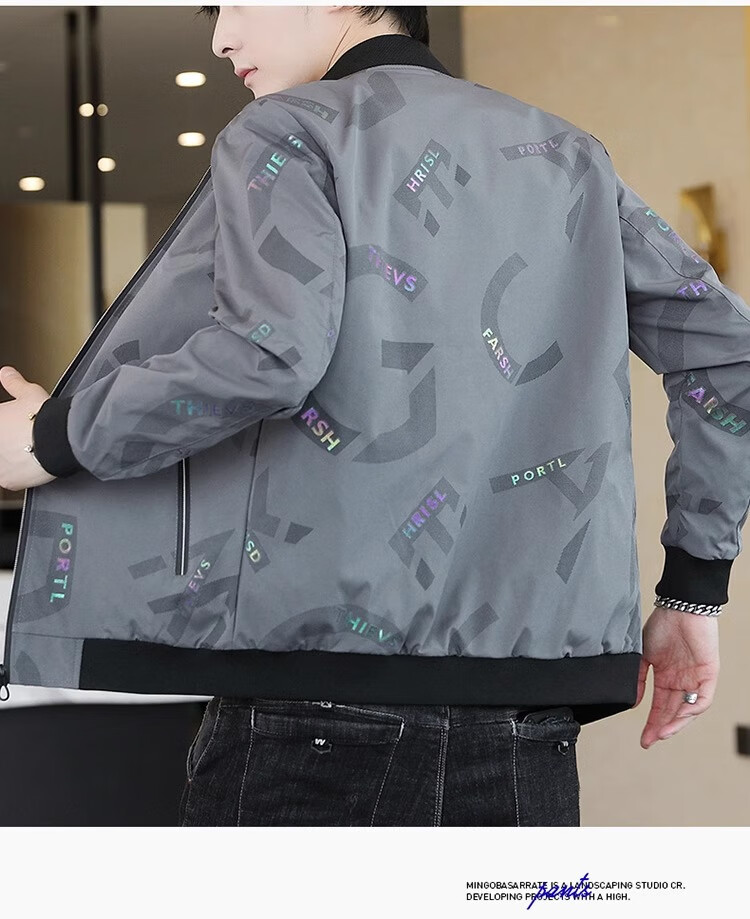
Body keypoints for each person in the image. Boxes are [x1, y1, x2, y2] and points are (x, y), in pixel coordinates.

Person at [0, 5, 744, 826]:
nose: (219, 38)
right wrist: (693, 594)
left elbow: (267, 353)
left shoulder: (288, 130)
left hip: (312, 711)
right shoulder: (569, 155)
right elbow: (729, 356)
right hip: (527, 722)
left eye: (234, 2)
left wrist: (52, 436)